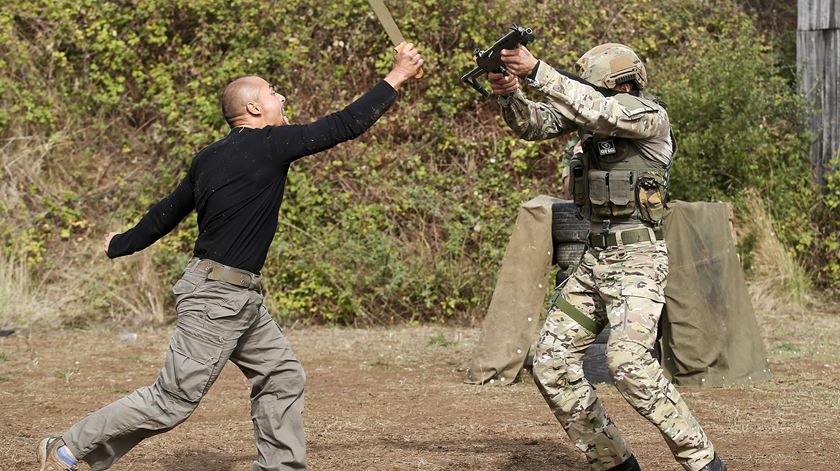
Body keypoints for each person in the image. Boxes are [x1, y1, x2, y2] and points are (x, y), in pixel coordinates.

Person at [37, 43, 424, 471]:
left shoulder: (209, 157)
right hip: (217, 299)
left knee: (282, 376)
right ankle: (67, 449)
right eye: (274, 92)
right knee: (172, 400)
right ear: (255, 109)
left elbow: (165, 212)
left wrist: (120, 243)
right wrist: (397, 75)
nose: (282, 98)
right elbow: (345, 124)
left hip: (238, 296)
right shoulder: (271, 144)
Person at [487, 43, 727, 471]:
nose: (586, 92)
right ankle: (615, 463)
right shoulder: (591, 116)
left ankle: (703, 462)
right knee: (550, 364)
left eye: (593, 85)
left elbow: (600, 111)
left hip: (637, 261)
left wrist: (539, 71)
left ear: (622, 84)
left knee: (628, 361)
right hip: (593, 263)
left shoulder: (647, 116)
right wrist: (509, 92)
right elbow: (533, 124)